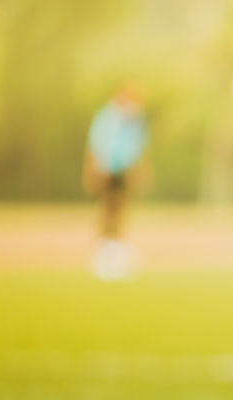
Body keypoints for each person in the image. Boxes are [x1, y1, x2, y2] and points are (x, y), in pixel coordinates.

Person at [82, 83, 150, 281]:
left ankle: (117, 249)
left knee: (120, 208)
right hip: (106, 168)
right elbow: (95, 144)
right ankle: (103, 251)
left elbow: (138, 146)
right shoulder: (107, 117)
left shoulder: (135, 119)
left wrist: (140, 171)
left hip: (123, 169)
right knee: (109, 208)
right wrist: (91, 171)